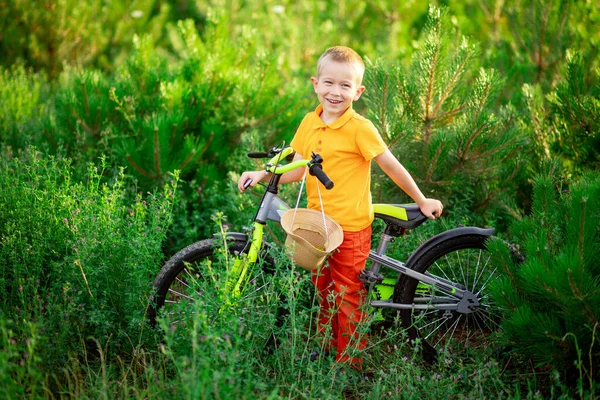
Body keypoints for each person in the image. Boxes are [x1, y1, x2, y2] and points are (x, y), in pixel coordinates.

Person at [237, 46, 443, 369]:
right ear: (315, 84)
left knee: (347, 296)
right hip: (318, 227)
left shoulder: (360, 128)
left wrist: (421, 199)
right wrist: (262, 174)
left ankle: (350, 365)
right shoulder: (309, 122)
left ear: (358, 91)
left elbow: (390, 165)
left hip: (349, 228)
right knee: (323, 290)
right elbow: (296, 166)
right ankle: (327, 348)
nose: (335, 92)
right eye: (328, 83)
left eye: (345, 86)